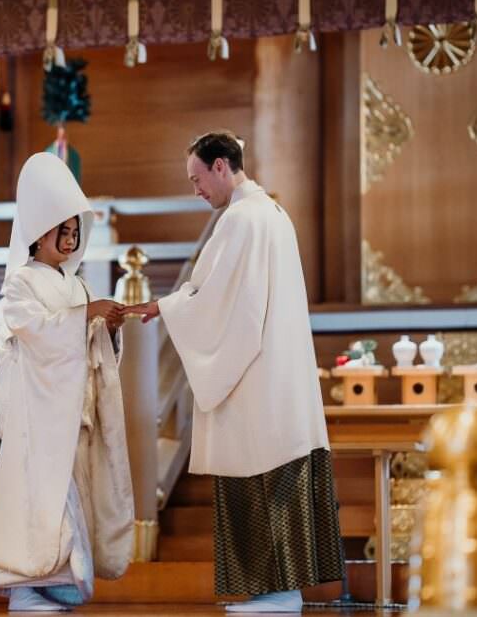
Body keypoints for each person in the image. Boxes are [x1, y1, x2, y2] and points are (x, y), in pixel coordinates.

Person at [127, 131, 344, 613]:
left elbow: (218, 299)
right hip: (277, 374)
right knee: (275, 479)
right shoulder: (272, 214)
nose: (196, 190)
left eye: (197, 178)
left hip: (256, 379)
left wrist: (165, 306)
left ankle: (278, 593)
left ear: (220, 166)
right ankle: (278, 592)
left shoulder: (241, 220)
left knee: (260, 478)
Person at [0, 152, 135, 613]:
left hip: (73, 411)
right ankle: (25, 585)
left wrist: (109, 330)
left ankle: (57, 581)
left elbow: (88, 346)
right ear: (39, 232)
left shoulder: (77, 285)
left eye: (74, 232)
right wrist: (87, 315)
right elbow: (34, 333)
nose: (69, 239)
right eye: (61, 231)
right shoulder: (20, 283)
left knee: (74, 497)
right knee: (43, 501)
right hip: (38, 415)